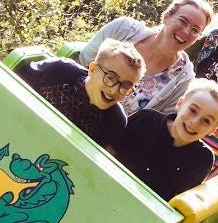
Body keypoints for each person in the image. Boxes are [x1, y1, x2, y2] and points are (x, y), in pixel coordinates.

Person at [78, 0, 214, 116]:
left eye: (195, 30)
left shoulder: (183, 79)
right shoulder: (124, 29)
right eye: (183, 21)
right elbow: (82, 61)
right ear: (167, 16)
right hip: (75, 102)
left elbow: (155, 124)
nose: (185, 32)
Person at [109, 78, 218, 200]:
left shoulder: (202, 158)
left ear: (213, 129)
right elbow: (108, 150)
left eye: (206, 121)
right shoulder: (146, 120)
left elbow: (177, 201)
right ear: (180, 104)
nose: (194, 122)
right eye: (193, 110)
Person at [13, 39, 142, 149]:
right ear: (93, 69)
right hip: (19, 128)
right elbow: (13, 85)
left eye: (125, 86)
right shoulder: (60, 71)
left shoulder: (115, 122)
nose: (114, 90)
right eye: (110, 77)